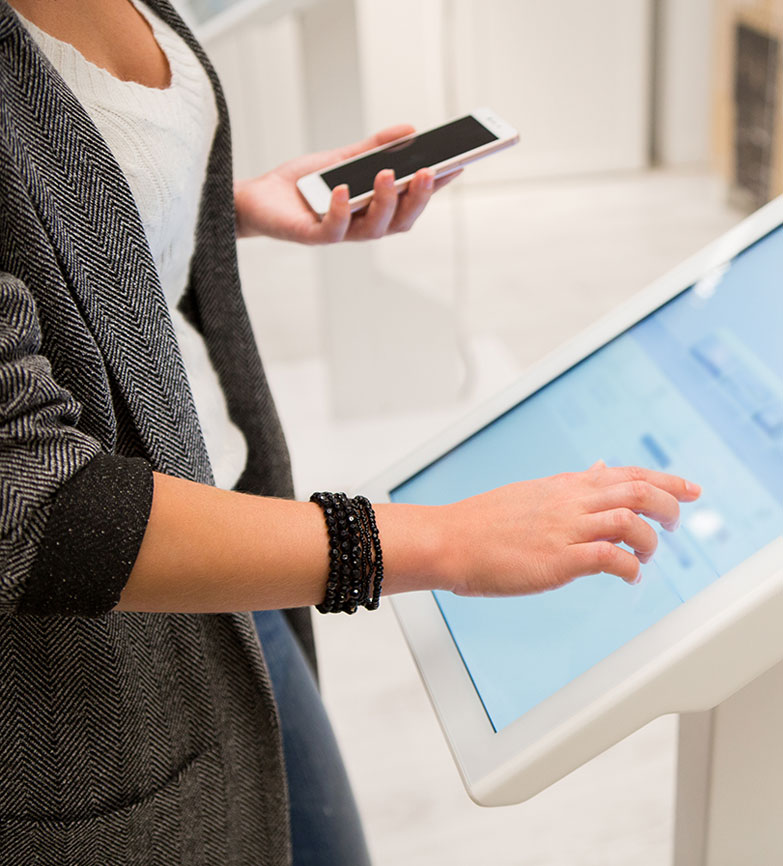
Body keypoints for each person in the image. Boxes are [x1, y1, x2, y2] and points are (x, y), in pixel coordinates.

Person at [0, 1, 701, 863]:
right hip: (106, 642)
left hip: (228, 528)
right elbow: (36, 498)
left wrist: (228, 204)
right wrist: (440, 540)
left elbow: (65, 215)